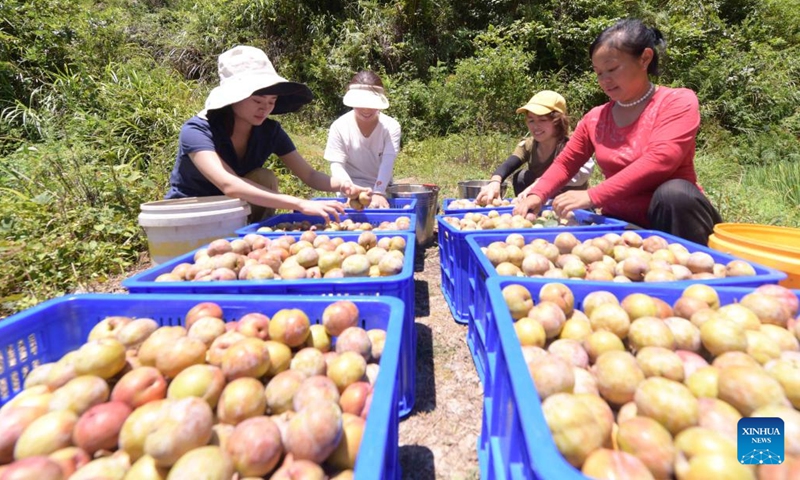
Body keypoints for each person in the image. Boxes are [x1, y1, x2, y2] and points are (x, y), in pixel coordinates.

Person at [513, 19, 722, 245]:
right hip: (619, 225)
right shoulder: (595, 118)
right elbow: (566, 162)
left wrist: (592, 195)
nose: (605, 80)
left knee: (673, 193)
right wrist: (538, 193)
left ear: (645, 58)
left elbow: (661, 160)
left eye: (612, 69)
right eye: (599, 72)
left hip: (675, 223)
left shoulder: (676, 102)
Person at [165, 45, 370, 223]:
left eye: (271, 102)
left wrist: (346, 186)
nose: (265, 108)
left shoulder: (269, 131)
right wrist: (299, 203)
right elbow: (228, 183)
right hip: (192, 213)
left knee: (263, 177)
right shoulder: (197, 130)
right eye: (257, 101)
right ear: (234, 98)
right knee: (263, 178)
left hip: (235, 211)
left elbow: (309, 175)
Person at [476, 91, 594, 205]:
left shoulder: (572, 145)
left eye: (543, 120)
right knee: (521, 176)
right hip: (541, 201)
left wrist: (539, 185)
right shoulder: (529, 145)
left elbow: (579, 175)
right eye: (531, 120)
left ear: (558, 121)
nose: (535, 126)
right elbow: (508, 165)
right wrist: (495, 182)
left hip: (574, 204)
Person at [324, 71, 402, 209]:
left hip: (381, 188)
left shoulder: (391, 127)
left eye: (371, 103)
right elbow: (336, 165)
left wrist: (379, 192)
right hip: (349, 189)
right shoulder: (339, 126)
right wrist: (350, 190)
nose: (366, 109)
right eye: (360, 103)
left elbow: (387, 161)